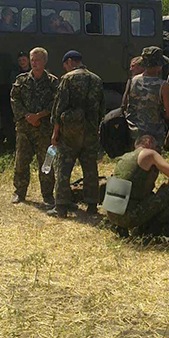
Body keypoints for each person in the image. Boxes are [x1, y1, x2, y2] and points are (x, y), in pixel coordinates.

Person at [48, 50, 105, 218]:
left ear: (70, 62)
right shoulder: (96, 79)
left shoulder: (68, 79)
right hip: (90, 132)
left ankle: (61, 207)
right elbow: (101, 108)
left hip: (70, 133)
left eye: (65, 65)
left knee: (63, 168)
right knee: (90, 169)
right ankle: (92, 205)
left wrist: (55, 133)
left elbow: (59, 109)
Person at [106, 135, 169, 236]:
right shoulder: (149, 153)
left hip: (112, 215)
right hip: (129, 216)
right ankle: (156, 228)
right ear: (148, 142)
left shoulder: (125, 157)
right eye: (157, 146)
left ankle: (125, 227)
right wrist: (165, 186)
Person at [10, 47, 58, 205]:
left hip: (44, 129)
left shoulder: (53, 82)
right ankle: (19, 192)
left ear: (44, 61)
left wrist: (39, 116)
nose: (34, 63)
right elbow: (14, 99)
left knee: (46, 163)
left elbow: (56, 103)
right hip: (25, 128)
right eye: (32, 60)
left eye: (38, 60)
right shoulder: (21, 80)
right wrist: (27, 116)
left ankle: (48, 195)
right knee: (21, 161)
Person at [125, 47, 169, 147]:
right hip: (153, 135)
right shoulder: (163, 85)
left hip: (133, 131)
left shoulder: (133, 81)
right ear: (159, 65)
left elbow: (126, 104)